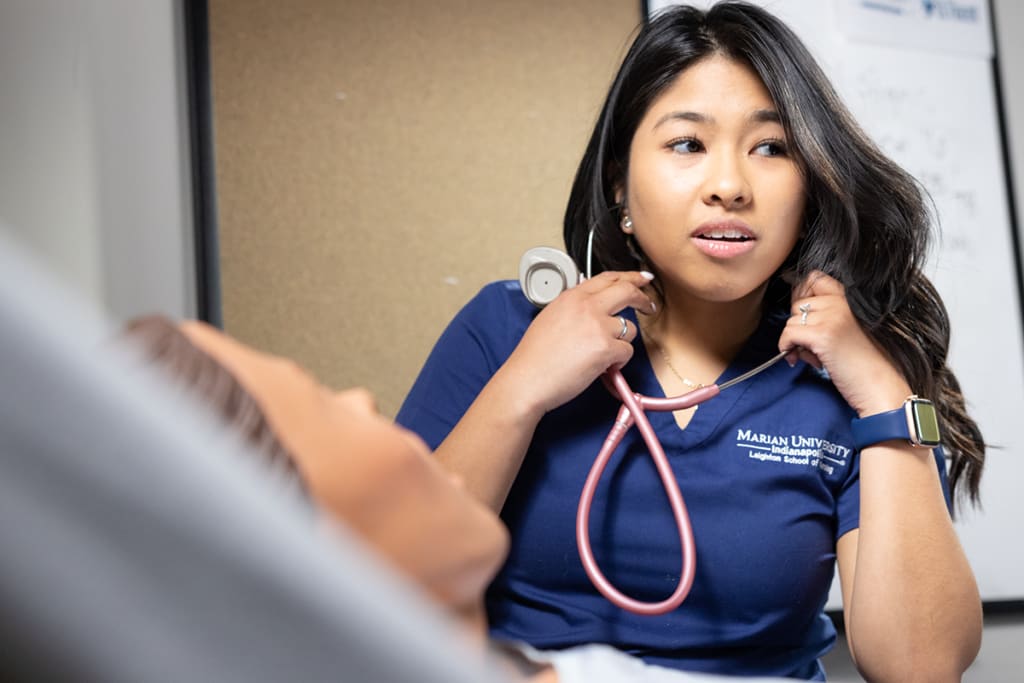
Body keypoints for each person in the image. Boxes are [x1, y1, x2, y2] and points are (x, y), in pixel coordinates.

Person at [396, 2, 985, 681]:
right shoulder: (504, 329)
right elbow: (389, 585)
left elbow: (921, 666)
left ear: (811, 184)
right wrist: (522, 388)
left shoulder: (857, 380)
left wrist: (883, 392)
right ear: (619, 183)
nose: (730, 186)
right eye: (687, 144)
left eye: (771, 148)